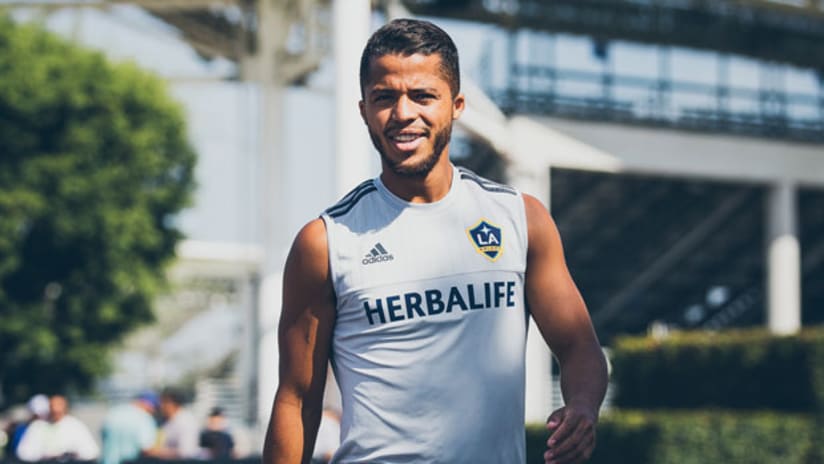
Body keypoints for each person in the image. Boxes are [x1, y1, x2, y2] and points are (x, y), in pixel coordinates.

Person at [262, 18, 608, 464]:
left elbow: (579, 345)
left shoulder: (521, 219)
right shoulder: (326, 242)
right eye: (385, 97)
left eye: (423, 96)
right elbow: (296, 399)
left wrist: (583, 406)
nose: (403, 113)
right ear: (364, 109)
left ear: (456, 105)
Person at [16, 394, 100, 462]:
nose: (56, 412)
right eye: (53, 409)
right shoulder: (38, 426)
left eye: (59, 410)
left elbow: (91, 452)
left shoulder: (75, 426)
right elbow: (24, 453)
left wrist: (71, 455)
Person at [100, 391, 160, 464]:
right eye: (154, 407)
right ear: (148, 404)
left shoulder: (114, 412)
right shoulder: (145, 418)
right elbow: (147, 448)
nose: (153, 411)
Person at [144, 388, 199, 459]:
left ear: (173, 403)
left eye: (164, 402)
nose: (160, 406)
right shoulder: (165, 420)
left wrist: (156, 452)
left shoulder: (186, 422)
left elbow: (186, 452)